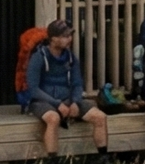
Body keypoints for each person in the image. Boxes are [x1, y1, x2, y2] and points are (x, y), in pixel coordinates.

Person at [24, 19, 108, 157]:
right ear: (53, 39)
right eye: (64, 36)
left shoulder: (70, 57)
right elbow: (33, 89)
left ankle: (104, 159)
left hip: (67, 99)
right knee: (53, 119)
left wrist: (75, 101)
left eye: (70, 36)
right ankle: (53, 163)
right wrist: (57, 104)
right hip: (43, 101)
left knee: (100, 117)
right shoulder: (39, 57)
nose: (69, 39)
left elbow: (77, 83)